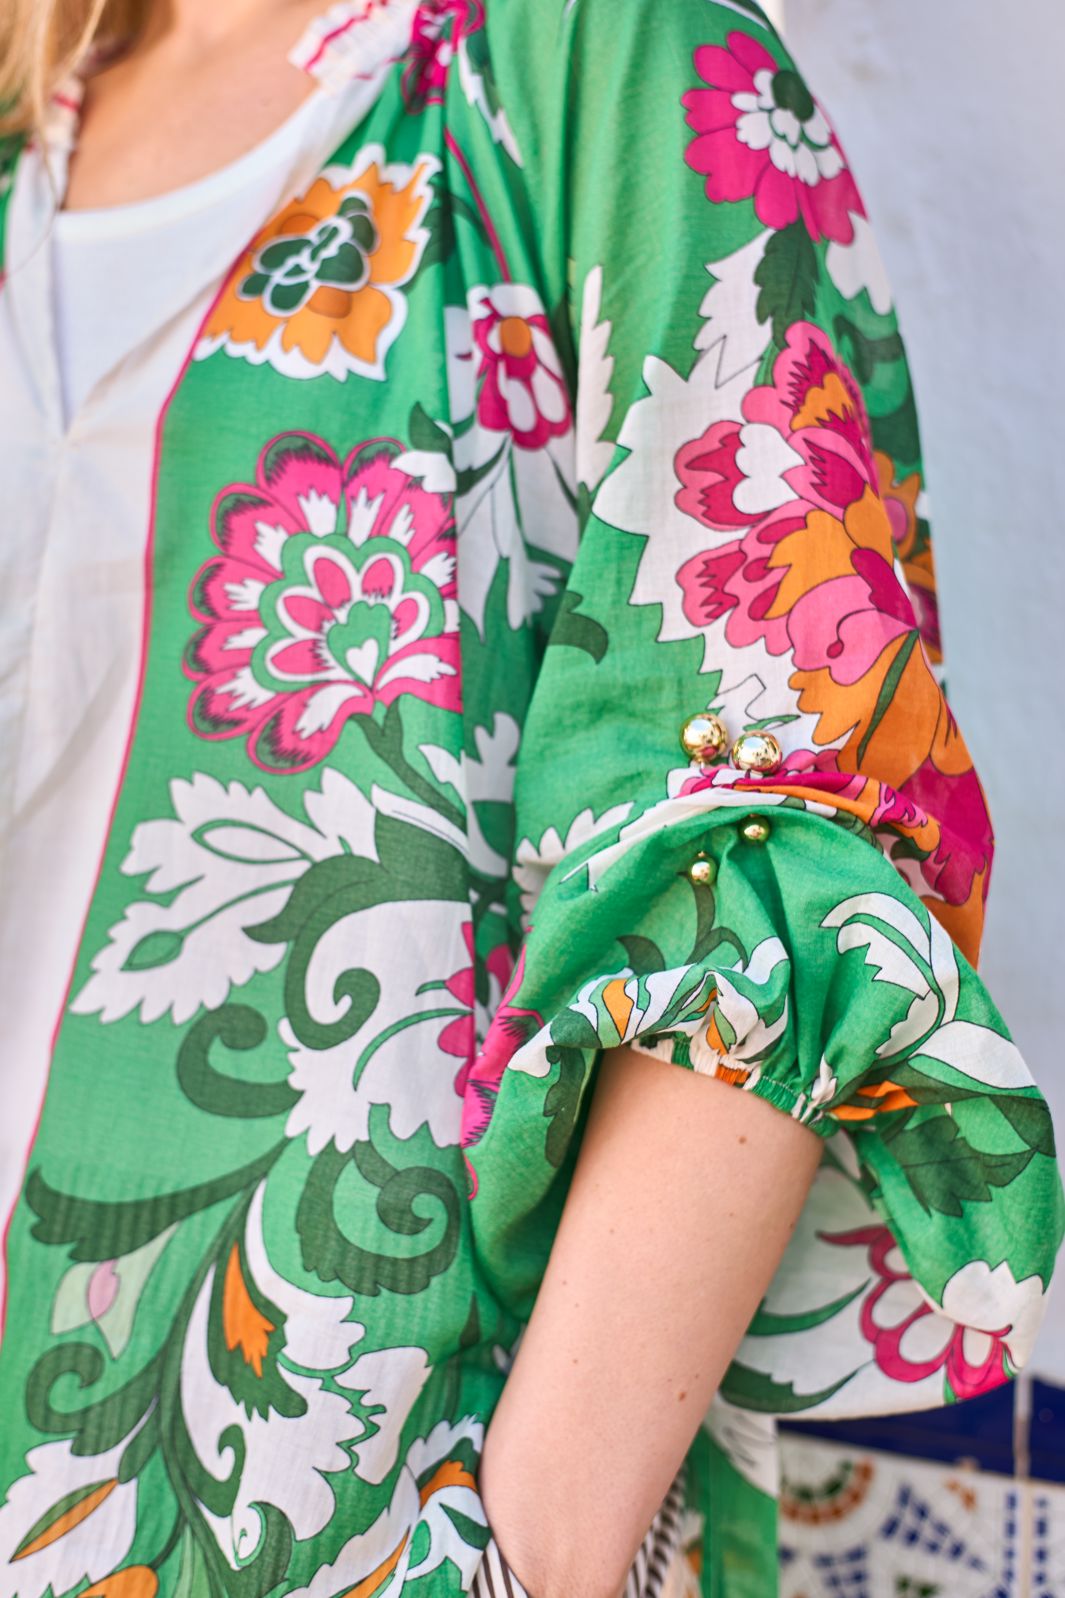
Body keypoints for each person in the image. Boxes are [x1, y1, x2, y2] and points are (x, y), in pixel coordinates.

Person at [0, 1, 1060, 1594]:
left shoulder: (597, 53)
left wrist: (532, 1552)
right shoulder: (30, 115)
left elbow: (780, 812)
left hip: (296, 1504)